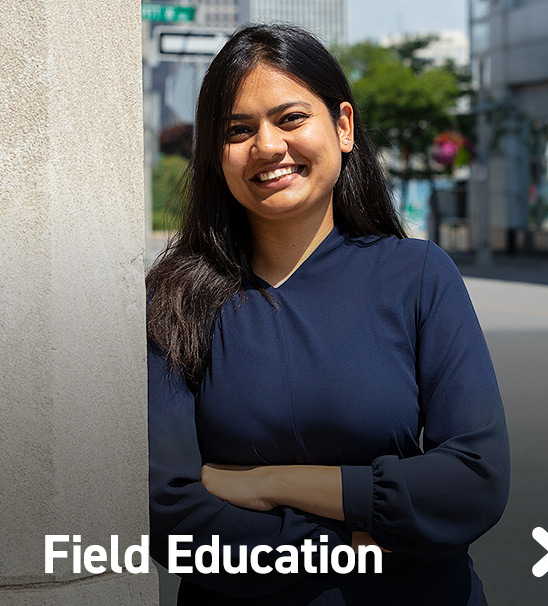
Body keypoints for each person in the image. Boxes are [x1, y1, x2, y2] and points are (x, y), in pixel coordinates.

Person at [146, 23, 509, 606]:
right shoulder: (174, 300)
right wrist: (352, 541)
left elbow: (474, 480)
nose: (266, 146)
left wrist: (273, 483)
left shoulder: (418, 276)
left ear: (342, 127)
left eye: (290, 119)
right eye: (239, 130)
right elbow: (166, 506)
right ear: (216, 156)